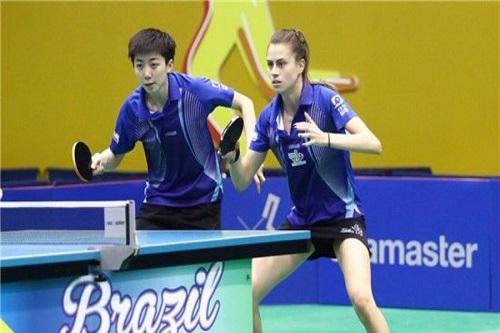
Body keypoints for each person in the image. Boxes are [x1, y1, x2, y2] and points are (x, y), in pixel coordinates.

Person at [223, 29, 390, 332]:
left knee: (362, 298)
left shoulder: (324, 99)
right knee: (245, 294)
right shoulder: (268, 118)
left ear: (300, 65)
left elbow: (372, 142)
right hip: (303, 222)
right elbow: (242, 179)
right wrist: (232, 157)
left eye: (281, 64)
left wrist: (326, 138)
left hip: (343, 219)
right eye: (269, 64)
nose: (273, 72)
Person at [91, 27, 262, 230]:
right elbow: (115, 155)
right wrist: (102, 161)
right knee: (129, 258)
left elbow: (245, 103)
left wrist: (253, 154)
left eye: (154, 65)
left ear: (169, 64)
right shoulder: (132, 110)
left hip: (203, 204)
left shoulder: (195, 91)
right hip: (158, 206)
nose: (147, 74)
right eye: (139, 66)